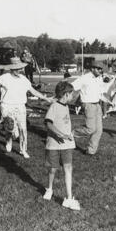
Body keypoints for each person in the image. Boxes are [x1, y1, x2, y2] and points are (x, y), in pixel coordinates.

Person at [0, 57, 52, 158]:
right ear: (11, 69)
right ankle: (8, 140)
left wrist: (46, 98)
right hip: (7, 105)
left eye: (20, 68)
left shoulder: (24, 79)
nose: (19, 70)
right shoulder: (4, 77)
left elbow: (33, 91)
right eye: (16, 69)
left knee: (23, 129)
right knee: (10, 127)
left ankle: (23, 150)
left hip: (20, 106)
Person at [42, 81, 80, 211]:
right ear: (65, 94)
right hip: (53, 145)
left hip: (67, 145)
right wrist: (61, 135)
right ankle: (50, 188)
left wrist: (68, 136)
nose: (73, 96)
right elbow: (48, 124)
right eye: (71, 94)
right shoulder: (54, 106)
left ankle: (69, 198)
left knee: (68, 168)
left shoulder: (66, 106)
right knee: (53, 169)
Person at [71, 61, 108, 155]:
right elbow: (72, 86)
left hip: (97, 105)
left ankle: (90, 151)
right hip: (88, 105)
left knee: (98, 130)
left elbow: (100, 92)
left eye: (101, 69)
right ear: (92, 69)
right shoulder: (84, 78)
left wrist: (107, 100)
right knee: (90, 129)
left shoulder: (99, 78)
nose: (100, 70)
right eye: (98, 69)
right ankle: (71, 134)